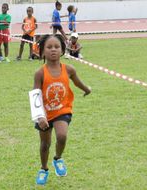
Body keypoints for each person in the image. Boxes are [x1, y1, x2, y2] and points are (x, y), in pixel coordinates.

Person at [33, 34, 91, 185]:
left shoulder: (69, 69)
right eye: (49, 47)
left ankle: (58, 158)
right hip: (44, 114)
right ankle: (44, 168)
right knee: (45, 144)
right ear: (43, 51)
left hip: (62, 110)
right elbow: (36, 96)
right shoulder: (40, 73)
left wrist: (86, 89)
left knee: (62, 136)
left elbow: (78, 83)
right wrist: (40, 116)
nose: (53, 50)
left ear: (63, 50)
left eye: (57, 47)